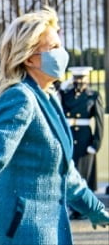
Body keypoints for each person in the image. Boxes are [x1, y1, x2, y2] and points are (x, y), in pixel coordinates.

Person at [0, 7, 109, 245]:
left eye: (60, 46)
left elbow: (63, 171)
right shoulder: (20, 98)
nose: (62, 54)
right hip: (22, 234)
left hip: (48, 231)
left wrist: (94, 209)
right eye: (53, 48)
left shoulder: (48, 97)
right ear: (29, 57)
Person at [60, 66, 104, 195]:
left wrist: (96, 144)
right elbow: (54, 90)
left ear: (87, 79)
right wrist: (64, 84)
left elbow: (100, 123)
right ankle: (72, 205)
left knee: (83, 171)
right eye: (76, 78)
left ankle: (81, 208)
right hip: (69, 136)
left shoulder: (93, 96)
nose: (79, 81)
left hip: (84, 139)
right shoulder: (66, 94)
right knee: (68, 170)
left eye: (82, 78)